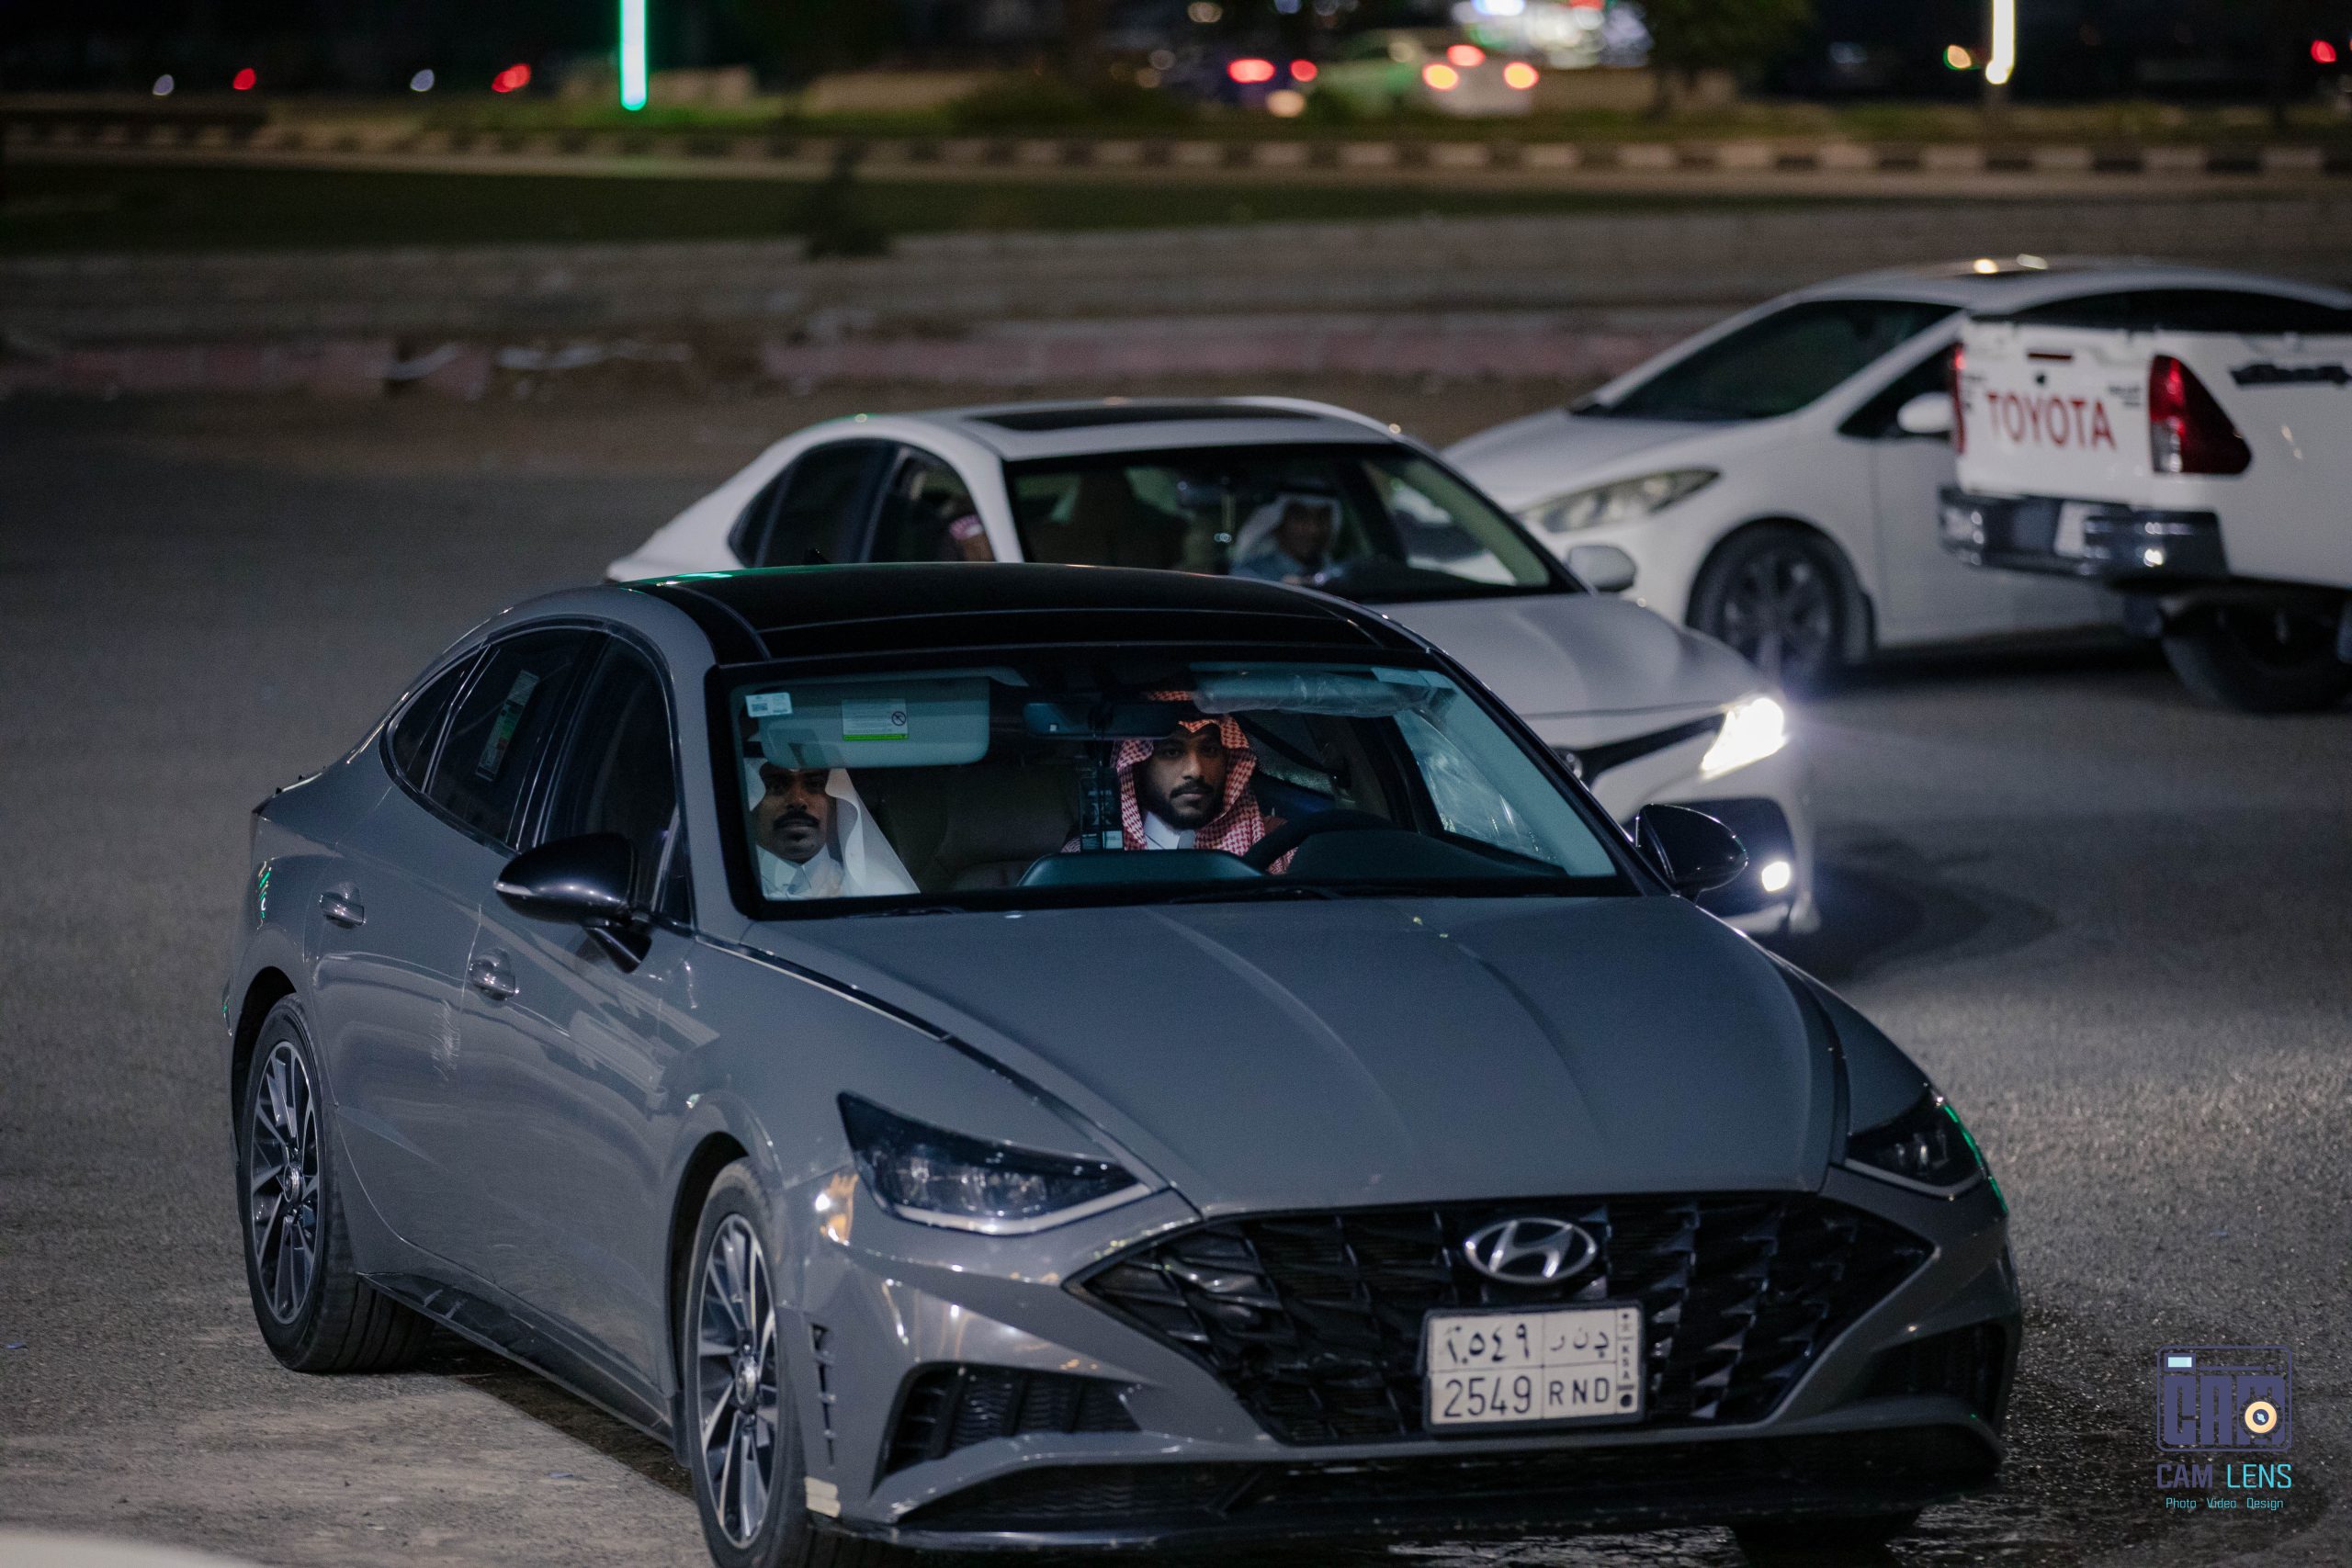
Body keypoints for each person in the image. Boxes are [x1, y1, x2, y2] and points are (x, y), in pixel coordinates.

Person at [1064, 696, 1280, 860]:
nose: (1195, 771)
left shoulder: (1278, 846)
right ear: (1137, 765)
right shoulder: (1082, 863)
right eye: (1172, 752)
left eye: (1209, 750)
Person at [750, 763, 919, 900]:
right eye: (775, 786)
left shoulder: (882, 892)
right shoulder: (732, 895)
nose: (797, 800)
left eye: (814, 785)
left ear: (835, 803)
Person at [1230, 496, 1339, 585]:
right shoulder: (1249, 575)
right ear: (1277, 525)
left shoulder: (1333, 572)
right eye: (1300, 517)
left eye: (1322, 517)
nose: (1313, 530)